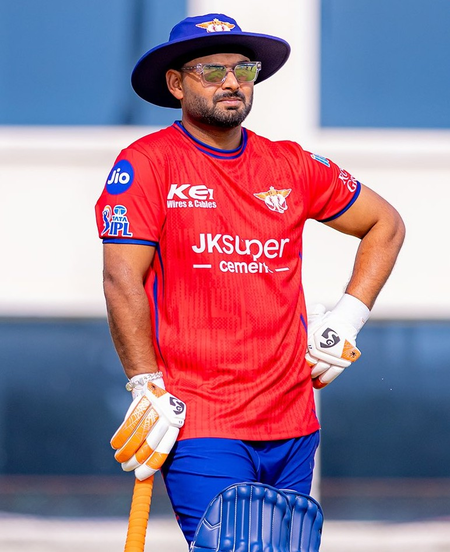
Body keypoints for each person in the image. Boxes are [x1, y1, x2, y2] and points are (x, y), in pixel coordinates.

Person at [95, 13, 405, 550]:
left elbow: (386, 224)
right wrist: (145, 384)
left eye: (243, 69)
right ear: (176, 83)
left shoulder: (291, 163)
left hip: (293, 422)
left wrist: (347, 318)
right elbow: (121, 279)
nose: (232, 81)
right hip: (202, 421)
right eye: (212, 70)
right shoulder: (146, 163)